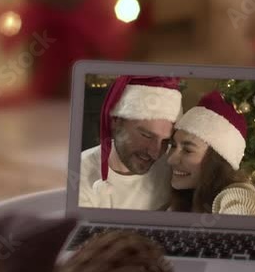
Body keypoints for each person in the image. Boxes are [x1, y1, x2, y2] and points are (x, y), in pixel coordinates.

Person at [78, 76, 184, 210]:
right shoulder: (79, 173)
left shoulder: (174, 166)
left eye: (165, 141)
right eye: (146, 135)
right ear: (115, 121)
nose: (155, 153)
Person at [166, 91, 255, 215]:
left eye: (187, 150)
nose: (170, 159)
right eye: (174, 146)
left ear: (218, 159)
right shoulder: (186, 196)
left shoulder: (238, 194)